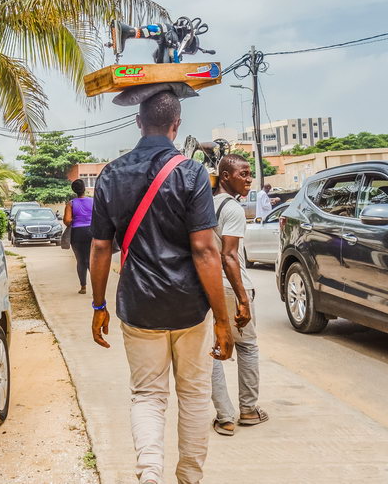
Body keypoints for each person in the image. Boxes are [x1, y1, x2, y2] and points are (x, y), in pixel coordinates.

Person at [89, 91, 234, 484]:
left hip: (139, 305)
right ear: (177, 125)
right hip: (190, 306)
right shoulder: (191, 173)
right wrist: (223, 319)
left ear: (138, 123)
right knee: (194, 395)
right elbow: (206, 250)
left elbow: (101, 246)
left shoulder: (110, 174)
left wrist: (98, 304)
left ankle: (149, 474)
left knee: (148, 396)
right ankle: (189, 477)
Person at [210, 155, 269, 436]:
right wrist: (243, 298)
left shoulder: (205, 204)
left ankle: (224, 417)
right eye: (243, 174)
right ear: (225, 176)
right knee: (247, 347)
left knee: (212, 352)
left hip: (208, 287)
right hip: (233, 287)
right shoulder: (232, 208)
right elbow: (230, 255)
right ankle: (248, 409)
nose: (248, 179)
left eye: (249, 174)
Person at [64, 178, 94, 294]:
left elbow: (67, 221)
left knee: (81, 260)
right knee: (92, 260)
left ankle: (83, 287)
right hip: (92, 232)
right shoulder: (93, 201)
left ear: (74, 190)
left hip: (77, 234)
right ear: (84, 189)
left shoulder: (71, 203)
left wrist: (73, 218)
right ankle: (96, 288)